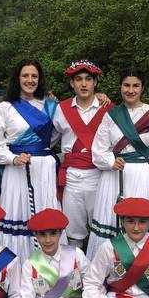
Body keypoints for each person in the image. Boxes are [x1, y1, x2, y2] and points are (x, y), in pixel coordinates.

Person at [87, 67, 149, 259]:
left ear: (142, 88)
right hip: (113, 176)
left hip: (142, 176)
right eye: (126, 85)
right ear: (120, 87)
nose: (131, 90)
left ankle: (142, 267)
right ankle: (107, 266)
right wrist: (110, 161)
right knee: (111, 219)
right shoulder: (110, 115)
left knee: (139, 219)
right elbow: (98, 149)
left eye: (135, 86)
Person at [0, 59, 61, 259]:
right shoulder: (4, 108)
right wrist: (13, 159)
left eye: (34, 76)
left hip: (44, 170)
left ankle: (47, 269)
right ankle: (17, 267)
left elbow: (56, 134)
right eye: (25, 76)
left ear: (40, 79)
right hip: (17, 170)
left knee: (45, 218)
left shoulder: (49, 106)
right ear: (17, 78)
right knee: (19, 215)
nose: (30, 80)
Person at [52, 60, 113, 249]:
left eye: (88, 79)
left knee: (102, 228)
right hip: (72, 177)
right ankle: (74, 266)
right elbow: (49, 140)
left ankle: (101, 266)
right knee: (73, 231)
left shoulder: (108, 109)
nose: (84, 84)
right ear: (72, 83)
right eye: (78, 79)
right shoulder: (61, 109)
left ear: (95, 82)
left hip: (100, 175)